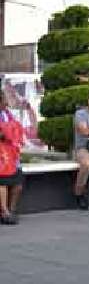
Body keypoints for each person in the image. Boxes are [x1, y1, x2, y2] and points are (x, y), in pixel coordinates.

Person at [0, 91, 24, 225]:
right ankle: (4, 212)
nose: (8, 101)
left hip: (12, 152)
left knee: (18, 183)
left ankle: (11, 209)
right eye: (5, 99)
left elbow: (16, 129)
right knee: (2, 182)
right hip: (1, 154)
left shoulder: (8, 114)